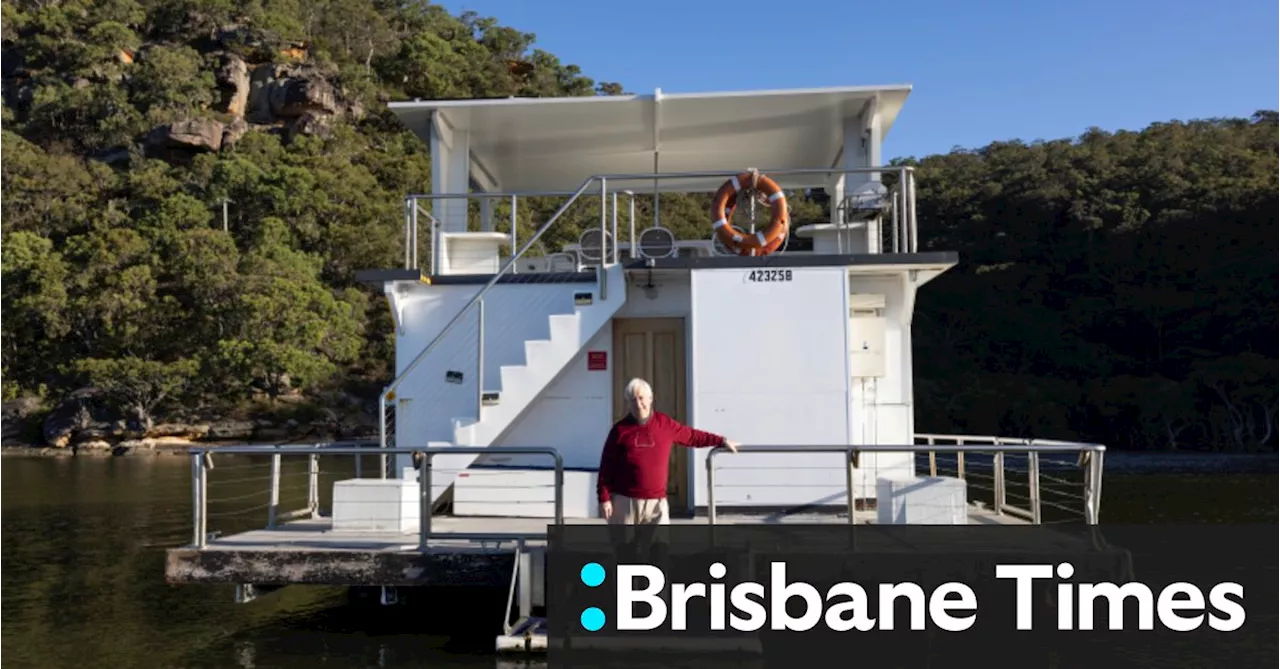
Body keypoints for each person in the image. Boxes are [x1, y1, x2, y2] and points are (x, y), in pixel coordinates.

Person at [597, 377, 739, 525]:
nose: (638, 404)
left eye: (641, 398)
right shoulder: (619, 430)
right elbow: (606, 467)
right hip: (625, 502)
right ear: (628, 403)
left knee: (660, 547)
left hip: (657, 503)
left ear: (651, 398)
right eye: (633, 400)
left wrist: (721, 441)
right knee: (625, 548)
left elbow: (692, 436)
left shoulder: (665, 424)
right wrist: (604, 498)